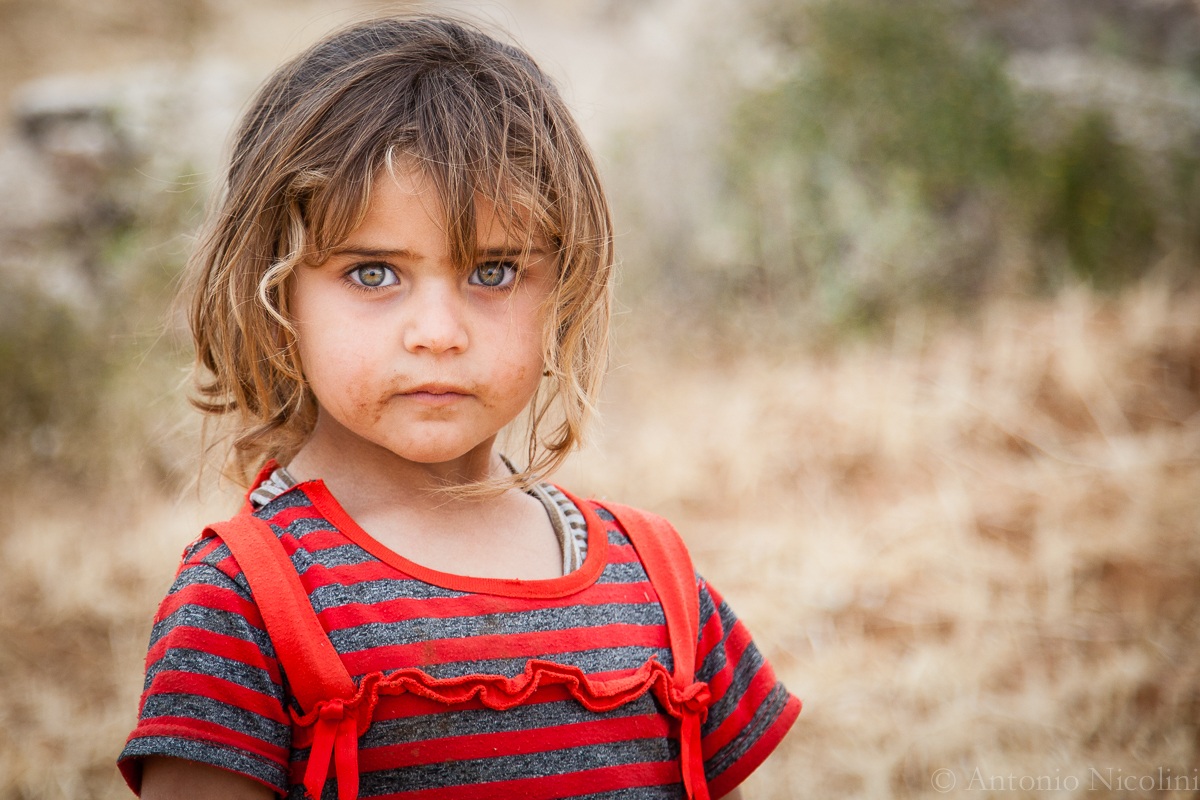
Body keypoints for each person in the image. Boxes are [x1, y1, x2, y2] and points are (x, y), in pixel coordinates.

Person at [118, 14, 799, 800]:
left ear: (564, 292)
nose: (439, 333)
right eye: (373, 273)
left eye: (494, 271)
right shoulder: (245, 604)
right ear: (274, 296)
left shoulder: (659, 584)